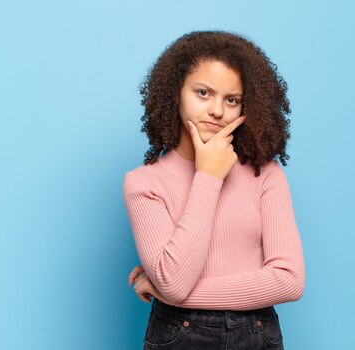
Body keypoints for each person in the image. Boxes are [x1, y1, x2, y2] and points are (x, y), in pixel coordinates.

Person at [123, 30, 305, 349]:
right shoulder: (144, 183)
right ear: (175, 93)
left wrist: (164, 291)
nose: (218, 111)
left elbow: (289, 281)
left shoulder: (266, 174)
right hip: (180, 334)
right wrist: (208, 176)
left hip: (256, 334)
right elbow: (175, 282)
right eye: (204, 93)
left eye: (231, 99)